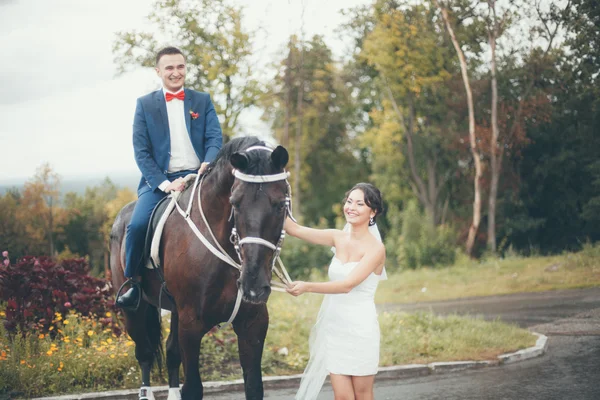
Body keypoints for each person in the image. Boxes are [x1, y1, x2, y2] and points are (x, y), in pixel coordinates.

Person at [116, 46, 223, 309]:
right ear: (158, 71)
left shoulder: (202, 100)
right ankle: (134, 283)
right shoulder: (145, 105)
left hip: (201, 176)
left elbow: (214, 138)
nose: (176, 73)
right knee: (138, 225)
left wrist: (208, 163)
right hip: (160, 182)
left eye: (180, 67)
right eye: (169, 68)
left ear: (186, 68)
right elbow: (141, 153)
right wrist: (165, 183)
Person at [285, 182, 386, 400]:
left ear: (373, 211)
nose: (351, 207)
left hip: (361, 329)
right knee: (342, 397)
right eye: (349, 201)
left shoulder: (376, 249)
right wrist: (275, 193)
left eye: (360, 204)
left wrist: (307, 286)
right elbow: (295, 229)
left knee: (362, 394)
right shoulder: (337, 237)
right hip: (335, 327)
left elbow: (347, 285)